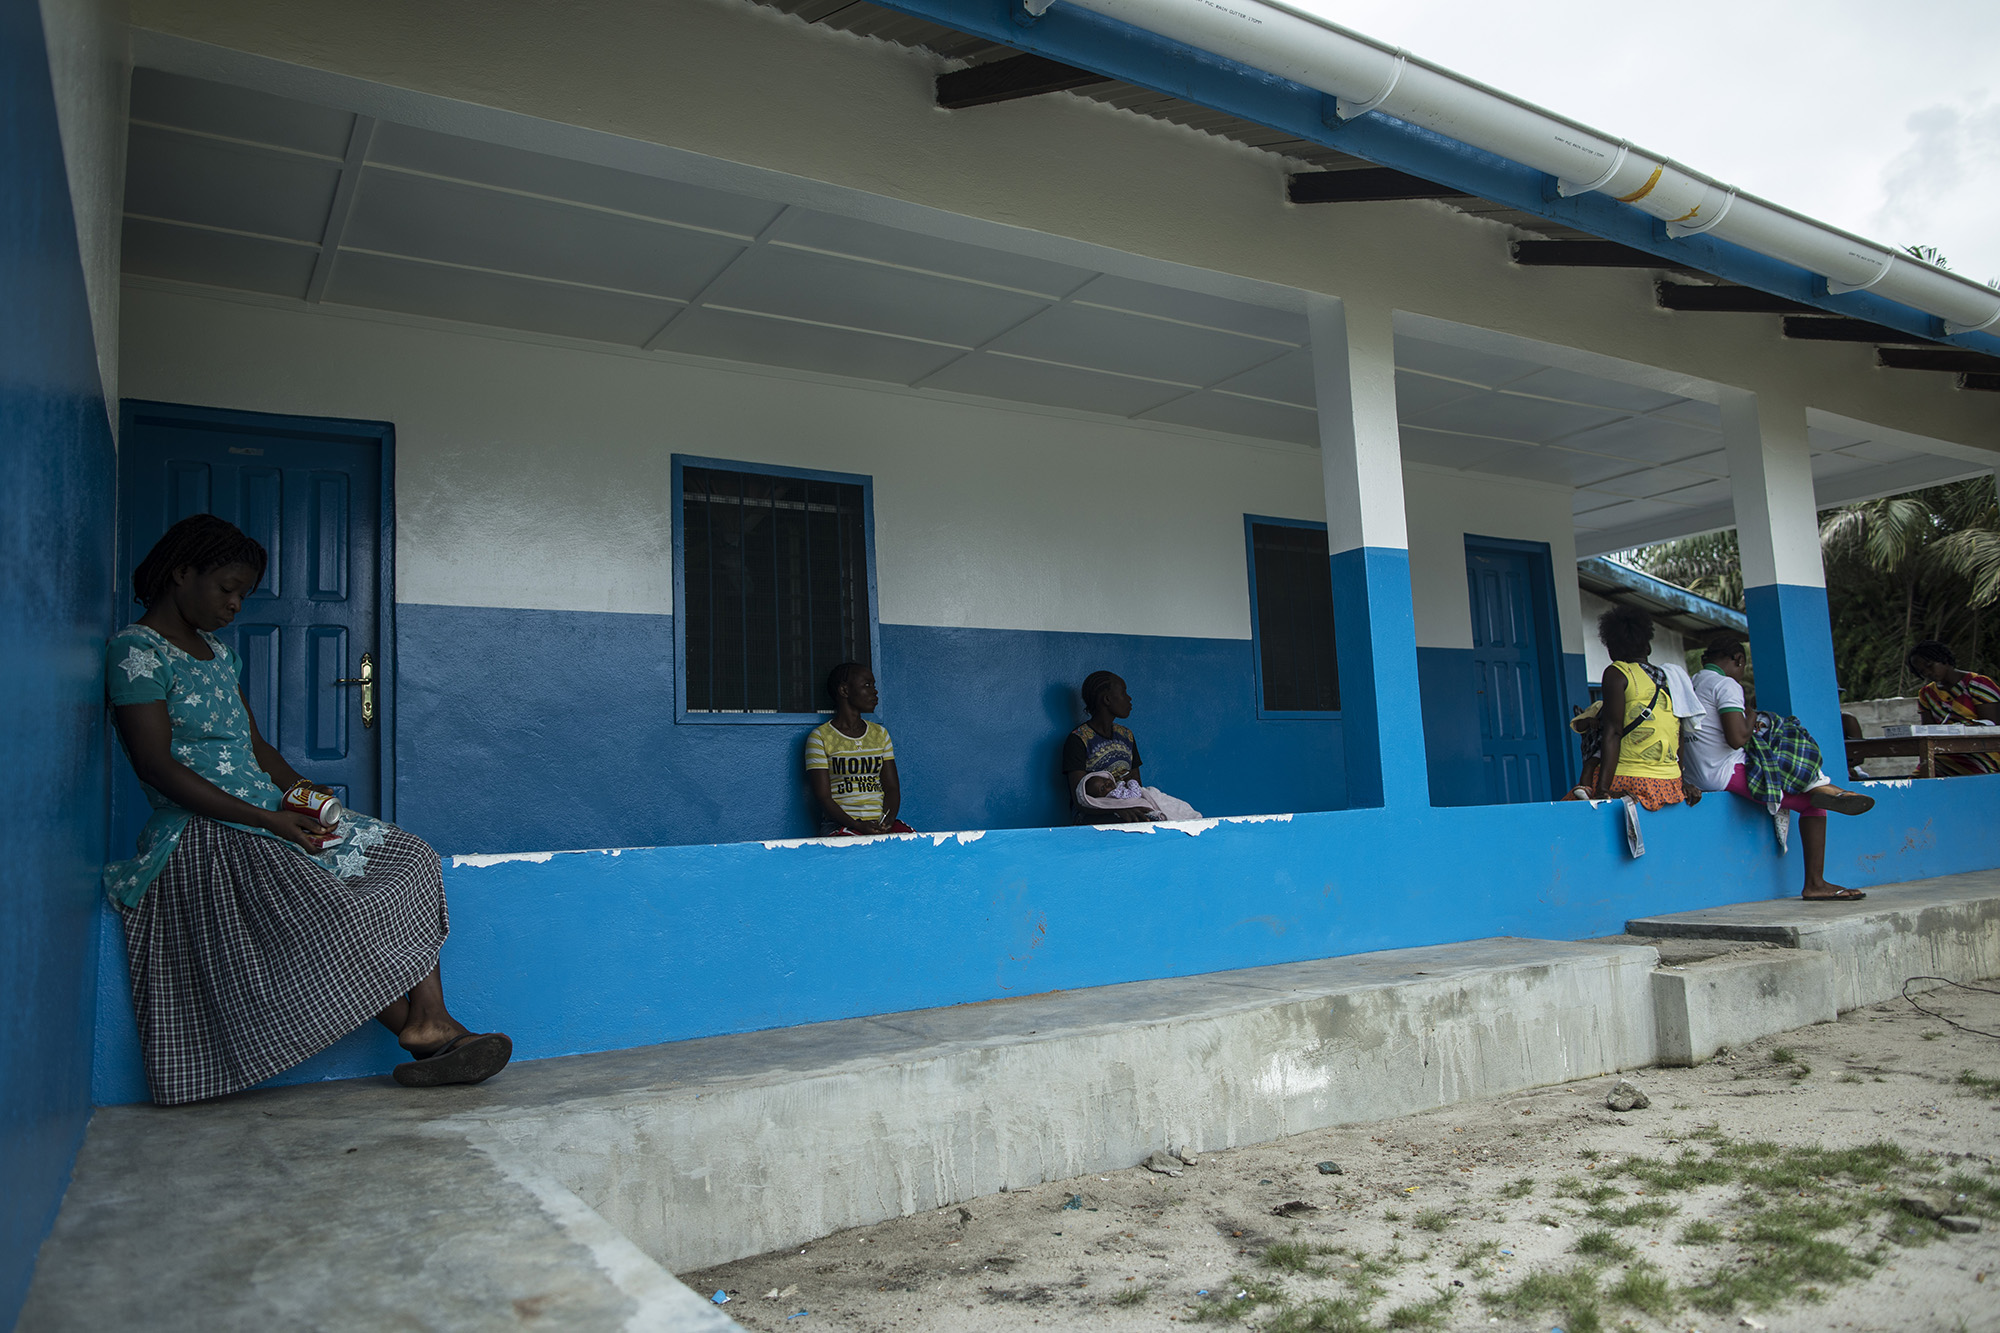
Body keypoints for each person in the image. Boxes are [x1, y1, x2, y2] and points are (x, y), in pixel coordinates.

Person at [105, 515, 509, 1106]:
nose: (236, 604)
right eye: (227, 588)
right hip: (201, 827)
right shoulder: (135, 651)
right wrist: (269, 821)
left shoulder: (218, 653)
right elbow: (156, 767)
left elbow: (257, 747)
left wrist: (307, 799)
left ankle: (431, 1018)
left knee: (409, 857)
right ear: (180, 573)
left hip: (266, 811)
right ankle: (429, 1040)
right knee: (328, 903)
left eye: (243, 593)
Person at [1685, 633, 1875, 901]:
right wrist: (1750, 716)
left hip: (1696, 772)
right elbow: (1737, 737)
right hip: (1724, 770)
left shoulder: (1691, 683)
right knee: (1811, 799)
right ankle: (1815, 883)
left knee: (1783, 759)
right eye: (1742, 667)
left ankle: (1828, 787)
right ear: (1738, 660)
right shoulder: (1726, 685)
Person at [1588, 605, 1685, 810]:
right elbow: (1680, 732)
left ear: (1611, 649)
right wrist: (1682, 782)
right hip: (1671, 783)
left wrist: (1602, 789)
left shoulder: (1617, 673)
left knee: (1579, 798)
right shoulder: (1671, 679)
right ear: (1647, 647)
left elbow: (1613, 732)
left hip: (1632, 780)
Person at [804, 662, 913, 835]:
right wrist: (859, 825)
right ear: (844, 691)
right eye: (867, 685)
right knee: (856, 850)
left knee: (912, 843)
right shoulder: (820, 737)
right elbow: (823, 797)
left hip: (878, 823)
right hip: (840, 825)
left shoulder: (880, 734)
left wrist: (887, 821)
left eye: (874, 685)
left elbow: (892, 788)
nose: (874, 691)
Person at [1064, 671, 1148, 823]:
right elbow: (1080, 799)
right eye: (1124, 692)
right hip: (1094, 815)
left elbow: (1137, 785)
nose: (1129, 699)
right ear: (1107, 699)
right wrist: (1117, 810)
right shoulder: (1078, 739)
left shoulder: (1126, 735)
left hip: (1128, 805)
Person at [1907, 640, 2000, 777]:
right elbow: (1929, 729)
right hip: (1942, 757)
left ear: (1943, 659)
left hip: (1980, 755)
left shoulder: (1977, 684)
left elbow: (1992, 725)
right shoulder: (1926, 694)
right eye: (1921, 671)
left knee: (1970, 781)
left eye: (1929, 665)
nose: (1927, 672)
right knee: (1915, 784)